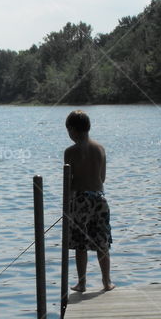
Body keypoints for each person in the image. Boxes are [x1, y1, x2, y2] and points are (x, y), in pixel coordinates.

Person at [64, 110, 114, 292]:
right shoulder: (100, 149)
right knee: (102, 242)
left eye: (68, 130)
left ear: (73, 130)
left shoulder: (70, 152)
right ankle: (107, 282)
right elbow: (102, 177)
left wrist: (67, 205)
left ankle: (82, 283)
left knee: (80, 244)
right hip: (99, 199)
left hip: (79, 200)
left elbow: (67, 181)